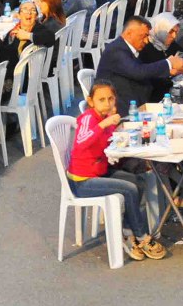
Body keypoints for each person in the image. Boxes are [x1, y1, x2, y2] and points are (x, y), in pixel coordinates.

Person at [67, 79, 166, 263]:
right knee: (129, 189)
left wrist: (112, 123)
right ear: (91, 102)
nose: (107, 103)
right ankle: (142, 236)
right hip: (82, 180)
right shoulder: (89, 118)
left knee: (138, 182)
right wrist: (104, 124)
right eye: (102, 100)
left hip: (98, 172)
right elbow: (81, 142)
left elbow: (107, 138)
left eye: (110, 99)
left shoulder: (103, 118)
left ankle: (128, 233)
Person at [95, 17, 183, 108]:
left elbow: (143, 71)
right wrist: (168, 63)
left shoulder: (127, 49)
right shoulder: (116, 50)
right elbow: (138, 72)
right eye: (144, 36)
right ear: (129, 33)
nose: (146, 41)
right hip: (120, 107)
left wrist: (168, 72)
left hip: (136, 101)